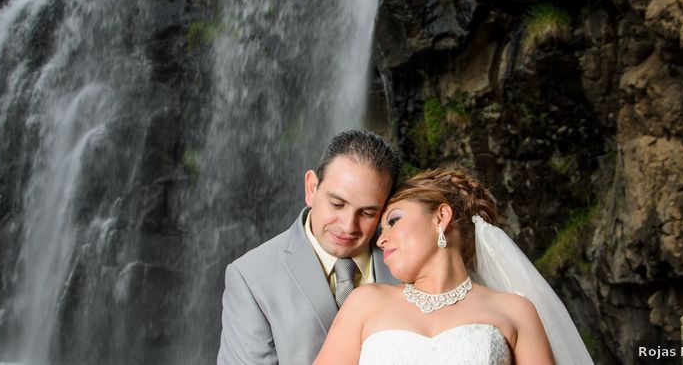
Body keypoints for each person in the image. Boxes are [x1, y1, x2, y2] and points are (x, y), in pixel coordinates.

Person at [313, 168, 594, 365]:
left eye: (394, 220)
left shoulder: (515, 311)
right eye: (381, 231)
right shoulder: (365, 302)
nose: (382, 239)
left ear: (441, 217)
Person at [217, 129, 403, 365]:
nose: (348, 226)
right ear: (311, 188)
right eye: (337, 204)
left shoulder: (414, 261)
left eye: (367, 212)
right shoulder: (250, 277)